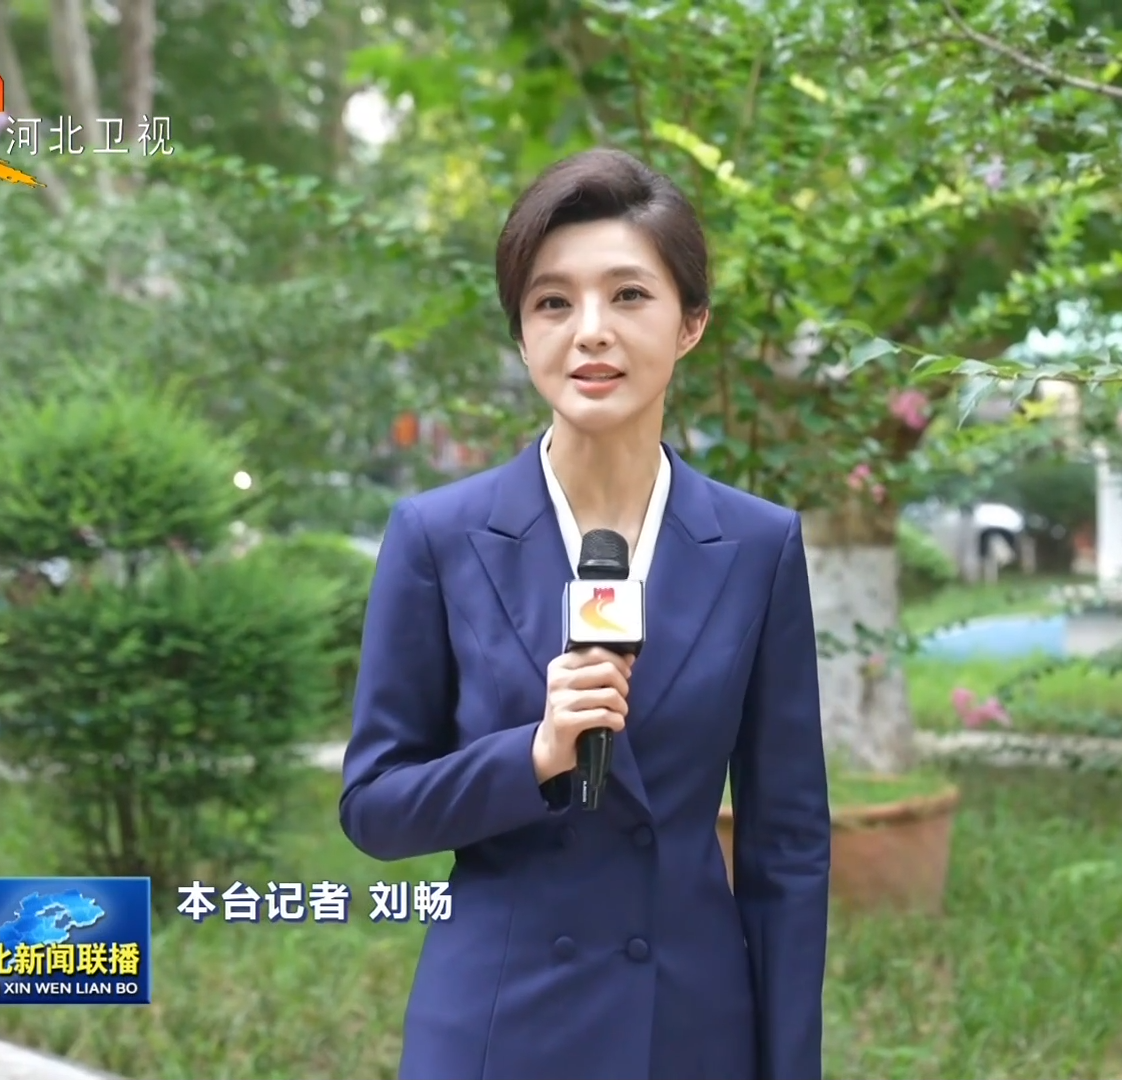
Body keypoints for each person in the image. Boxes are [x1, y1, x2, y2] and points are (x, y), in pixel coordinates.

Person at [339, 147, 831, 1080]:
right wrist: (533, 754)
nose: (590, 332)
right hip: (498, 1028)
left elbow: (789, 849)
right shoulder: (437, 536)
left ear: (691, 323)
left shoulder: (758, 545)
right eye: (553, 303)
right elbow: (375, 807)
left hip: (688, 1031)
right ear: (523, 336)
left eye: (629, 296)